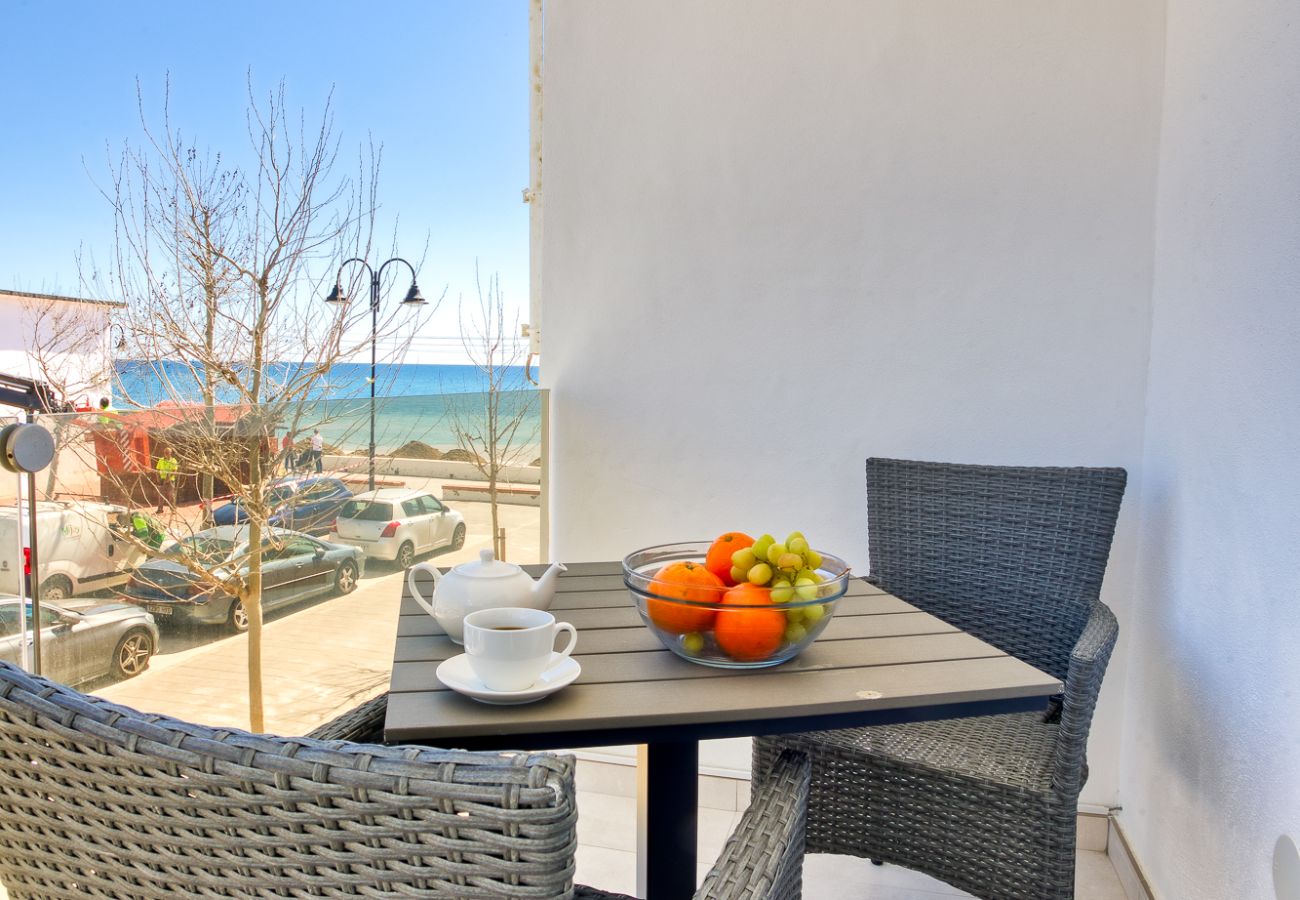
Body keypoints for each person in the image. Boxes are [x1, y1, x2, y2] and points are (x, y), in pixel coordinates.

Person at [154, 446, 179, 513]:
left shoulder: (173, 461)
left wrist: (168, 479)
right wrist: (158, 479)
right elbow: (157, 469)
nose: (166, 454)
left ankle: (173, 510)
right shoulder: (161, 460)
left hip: (170, 480)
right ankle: (160, 509)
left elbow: (174, 471)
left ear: (170, 453)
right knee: (161, 495)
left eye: (168, 452)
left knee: (171, 495)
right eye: (165, 452)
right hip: (162, 480)